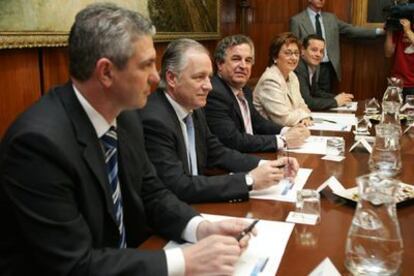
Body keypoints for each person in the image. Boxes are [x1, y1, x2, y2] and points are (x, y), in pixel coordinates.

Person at [0, 4, 257, 275]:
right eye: (146, 65)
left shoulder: (126, 116)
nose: (157, 77)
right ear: (106, 72)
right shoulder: (37, 144)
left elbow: (152, 193)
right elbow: (74, 264)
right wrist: (185, 261)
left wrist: (202, 228)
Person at [140, 38, 299, 204]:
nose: (209, 86)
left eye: (209, 77)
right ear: (172, 78)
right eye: (199, 77)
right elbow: (179, 186)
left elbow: (217, 152)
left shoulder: (194, 108)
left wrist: (269, 165)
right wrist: (248, 181)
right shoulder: (154, 119)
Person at [205, 34, 310, 153]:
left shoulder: (245, 90)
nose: (243, 66)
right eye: (236, 59)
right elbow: (233, 140)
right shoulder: (215, 93)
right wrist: (282, 140)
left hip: (251, 153)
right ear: (220, 64)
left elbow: (259, 123)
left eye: (248, 60)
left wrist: (287, 131)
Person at [290, 0, 384, 93]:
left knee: (326, 99)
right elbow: (295, 48)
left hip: (328, 68)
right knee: (308, 98)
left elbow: (351, 30)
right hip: (307, 68)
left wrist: (380, 31)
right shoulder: (297, 20)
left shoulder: (331, 18)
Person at [253, 32, 313, 127]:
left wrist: (305, 117)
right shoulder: (270, 80)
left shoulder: (292, 75)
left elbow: (303, 105)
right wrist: (303, 116)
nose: (293, 58)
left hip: (290, 130)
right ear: (275, 57)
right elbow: (283, 119)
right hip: (269, 135)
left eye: (296, 53)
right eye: (288, 53)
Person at [295, 34, 354, 111]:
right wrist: (335, 102)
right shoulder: (299, 68)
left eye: (321, 51)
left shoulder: (311, 66)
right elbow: (307, 102)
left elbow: (316, 92)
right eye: (314, 50)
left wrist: (337, 97)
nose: (318, 54)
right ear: (302, 50)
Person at [385, 18, 414, 99]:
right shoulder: (399, 28)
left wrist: (408, 31)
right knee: (394, 109)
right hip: (397, 82)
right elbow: (388, 53)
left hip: (413, 82)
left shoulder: (407, 29)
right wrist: (389, 31)